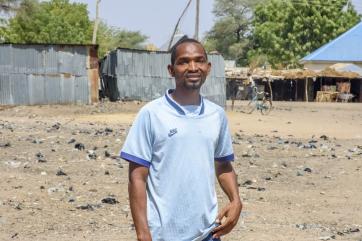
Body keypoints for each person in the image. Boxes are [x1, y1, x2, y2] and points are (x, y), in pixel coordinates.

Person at [120, 37, 242, 241]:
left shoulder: (216, 115)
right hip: (163, 235)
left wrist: (236, 200)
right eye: (184, 61)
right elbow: (137, 177)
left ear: (208, 67)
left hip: (208, 233)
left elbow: (223, 166)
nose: (193, 67)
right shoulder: (151, 114)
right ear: (171, 69)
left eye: (199, 60)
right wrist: (143, 234)